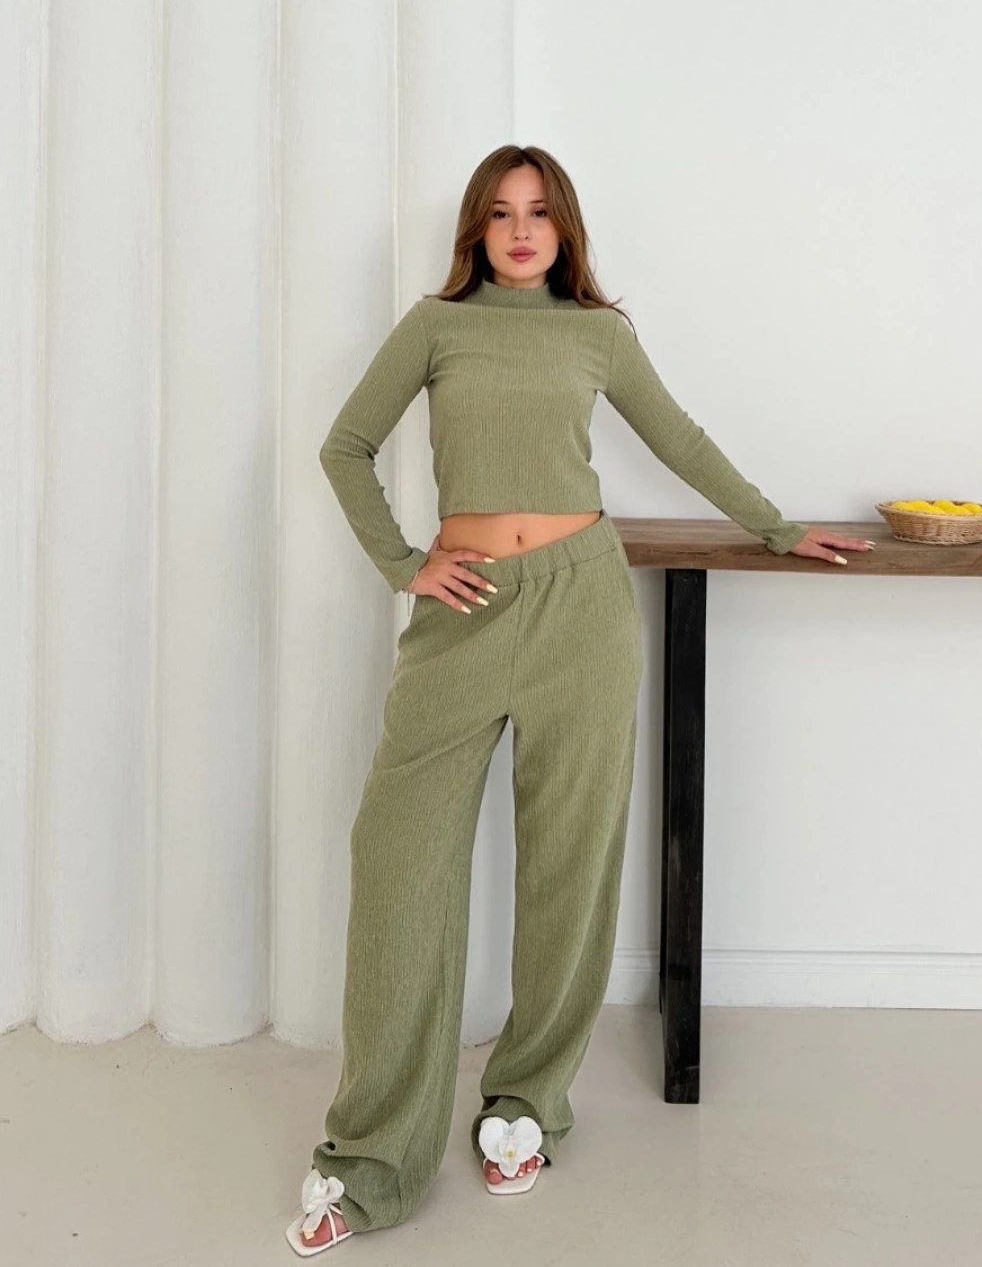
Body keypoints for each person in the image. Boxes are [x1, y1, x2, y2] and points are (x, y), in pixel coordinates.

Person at [286, 144, 874, 1254]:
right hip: (461, 613)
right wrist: (403, 562)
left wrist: (779, 526)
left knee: (570, 868)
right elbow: (344, 445)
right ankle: (370, 1156)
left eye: (540, 213)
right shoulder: (435, 325)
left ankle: (524, 1105)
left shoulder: (597, 333)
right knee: (399, 869)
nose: (521, 230)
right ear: (475, 229)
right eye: (501, 212)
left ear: (565, 231)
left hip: (583, 608)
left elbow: (680, 438)